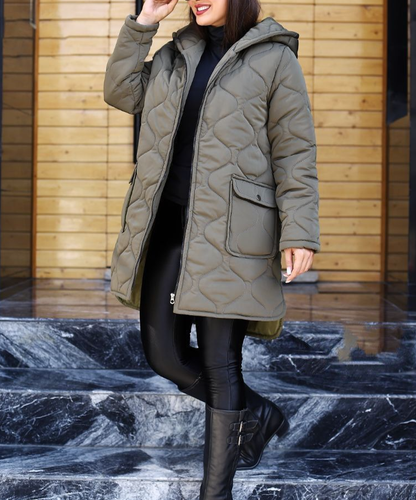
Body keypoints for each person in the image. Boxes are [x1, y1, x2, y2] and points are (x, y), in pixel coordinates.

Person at [103, 0, 320, 498]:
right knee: (164, 354)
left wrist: (300, 231)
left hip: (234, 231)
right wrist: (145, 22)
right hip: (168, 223)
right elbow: (121, 91)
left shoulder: (274, 58)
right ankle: (257, 412)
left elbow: (294, 149)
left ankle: (216, 492)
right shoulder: (176, 53)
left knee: (222, 364)